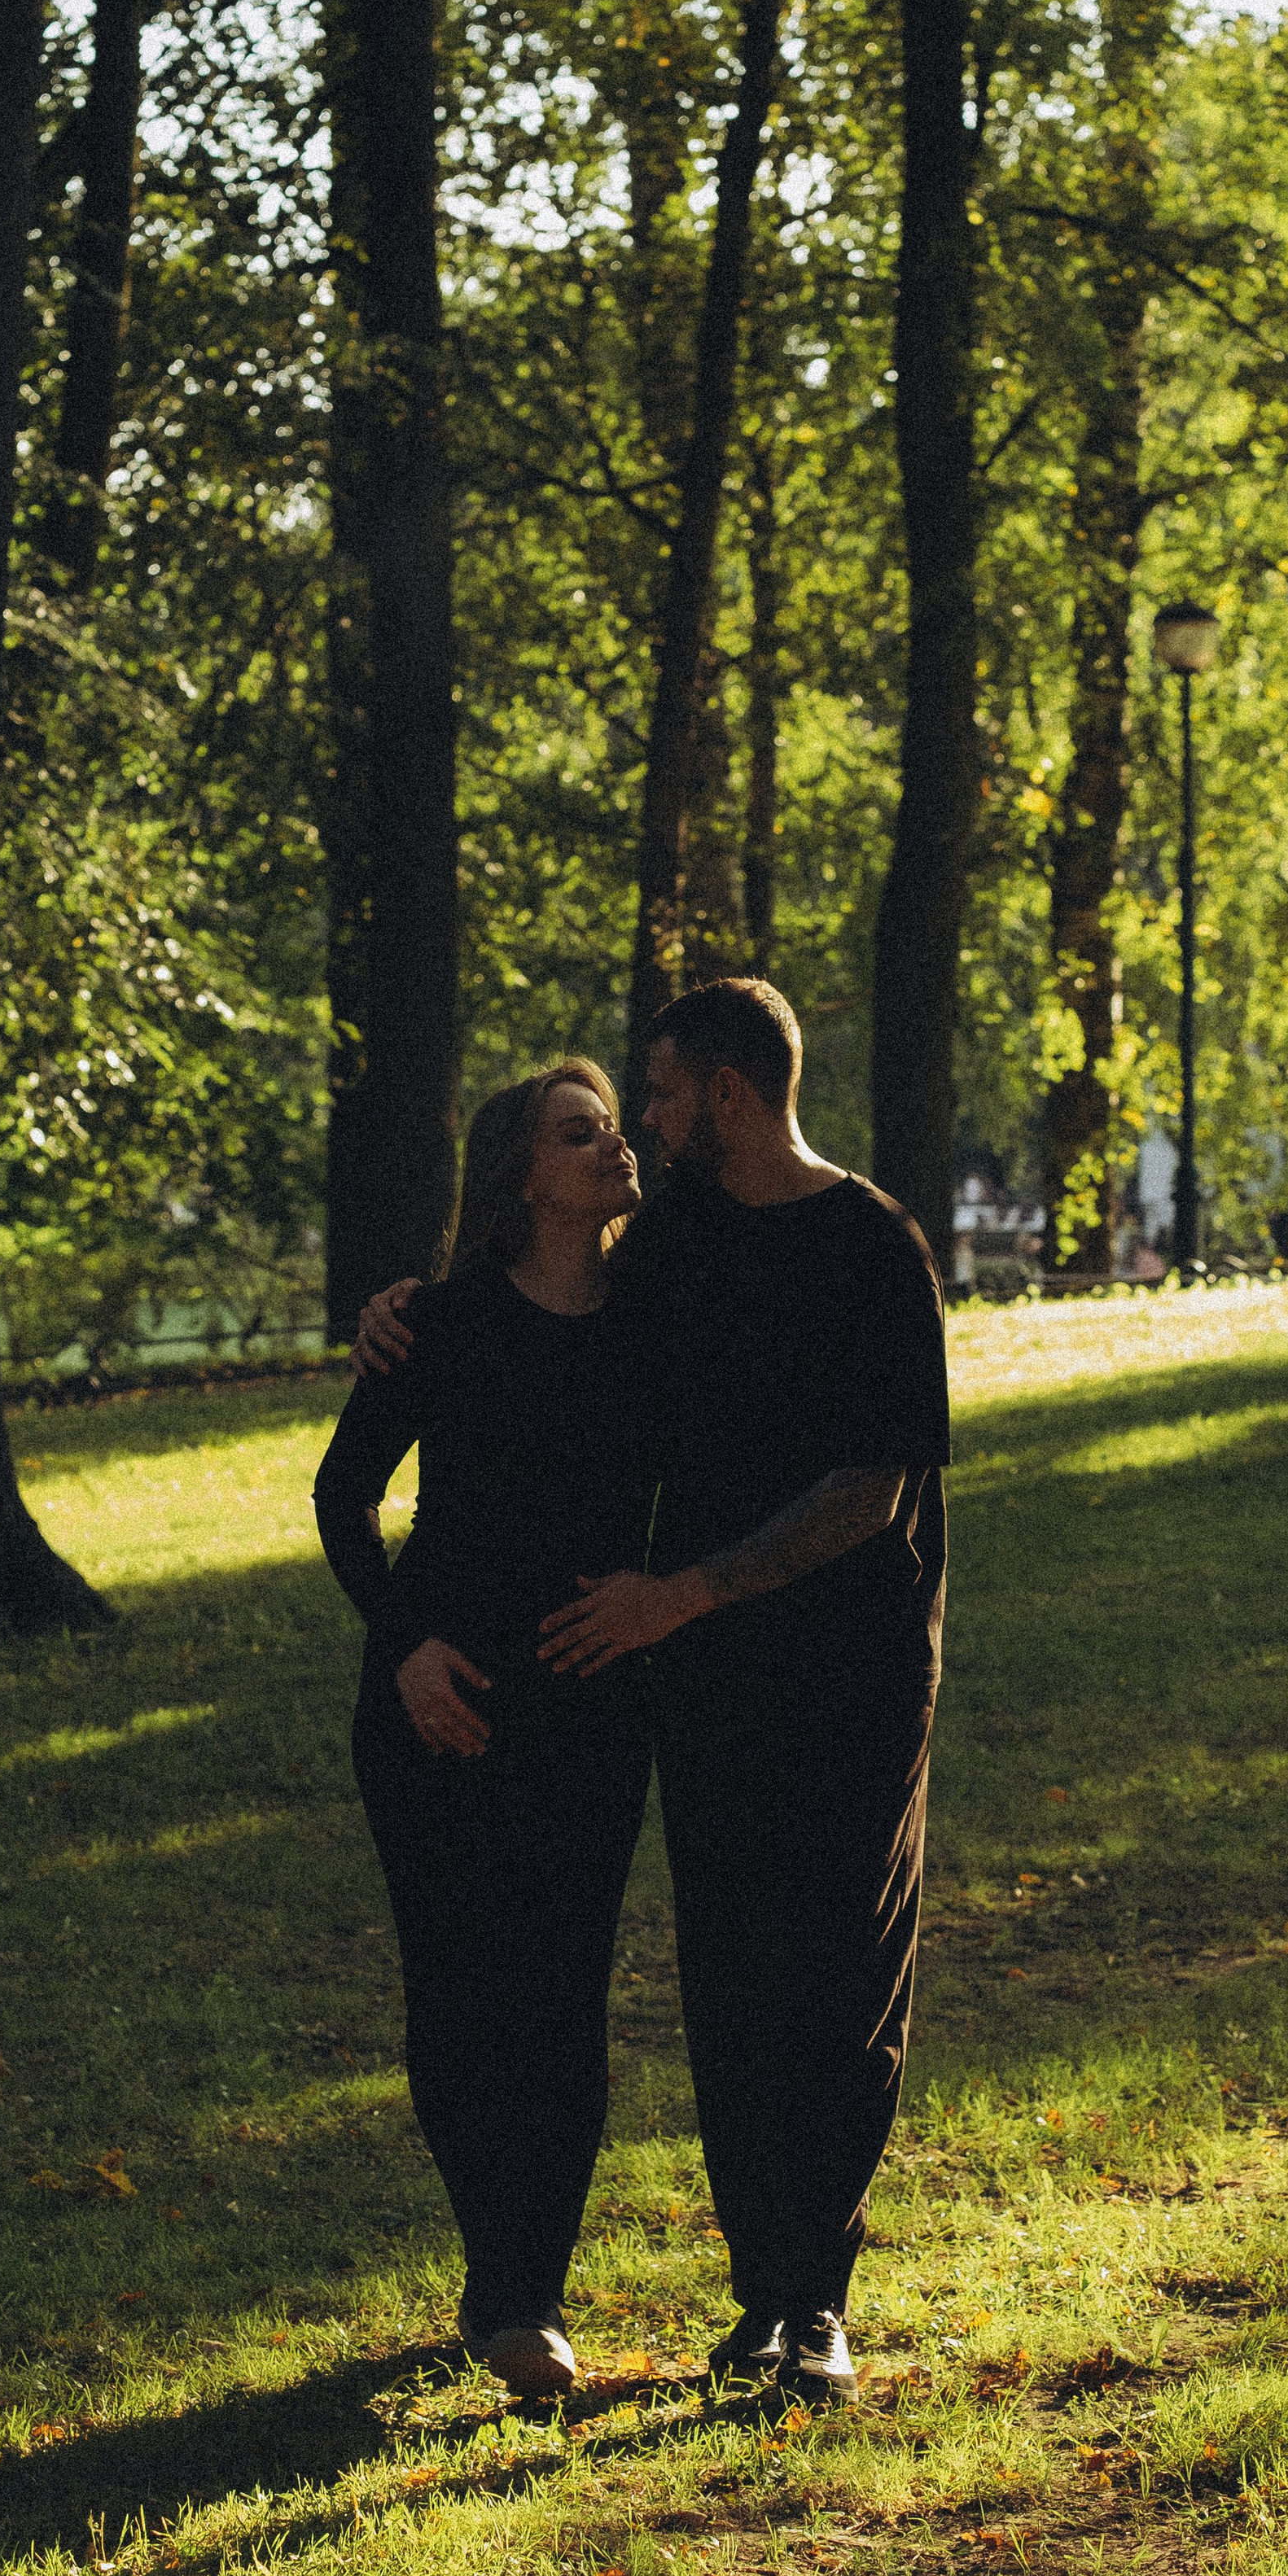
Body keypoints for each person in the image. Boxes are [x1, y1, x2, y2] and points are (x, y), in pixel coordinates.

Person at [357, 979, 950, 2406]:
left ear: (731, 1093)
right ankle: (761, 2295)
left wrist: (677, 1595)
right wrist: (407, 1313)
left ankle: (815, 2304)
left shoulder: (874, 1249)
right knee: (731, 1979)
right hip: (700, 1683)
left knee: (837, 1978)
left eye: (666, 1095)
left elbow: (870, 1490)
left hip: (850, 1675)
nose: (650, 1123)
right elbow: (535, 1307)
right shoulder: (671, 1242)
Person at [313, 1060, 655, 2397]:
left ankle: (527, 2293)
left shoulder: (653, 1316)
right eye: (583, 1134)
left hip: (592, 1703)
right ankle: (494, 2266)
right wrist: (403, 1652)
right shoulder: (439, 1327)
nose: (615, 1147)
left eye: (616, 1124)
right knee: (459, 1991)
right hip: (437, 1704)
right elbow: (345, 1500)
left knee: (564, 1995)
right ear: (523, 1175)